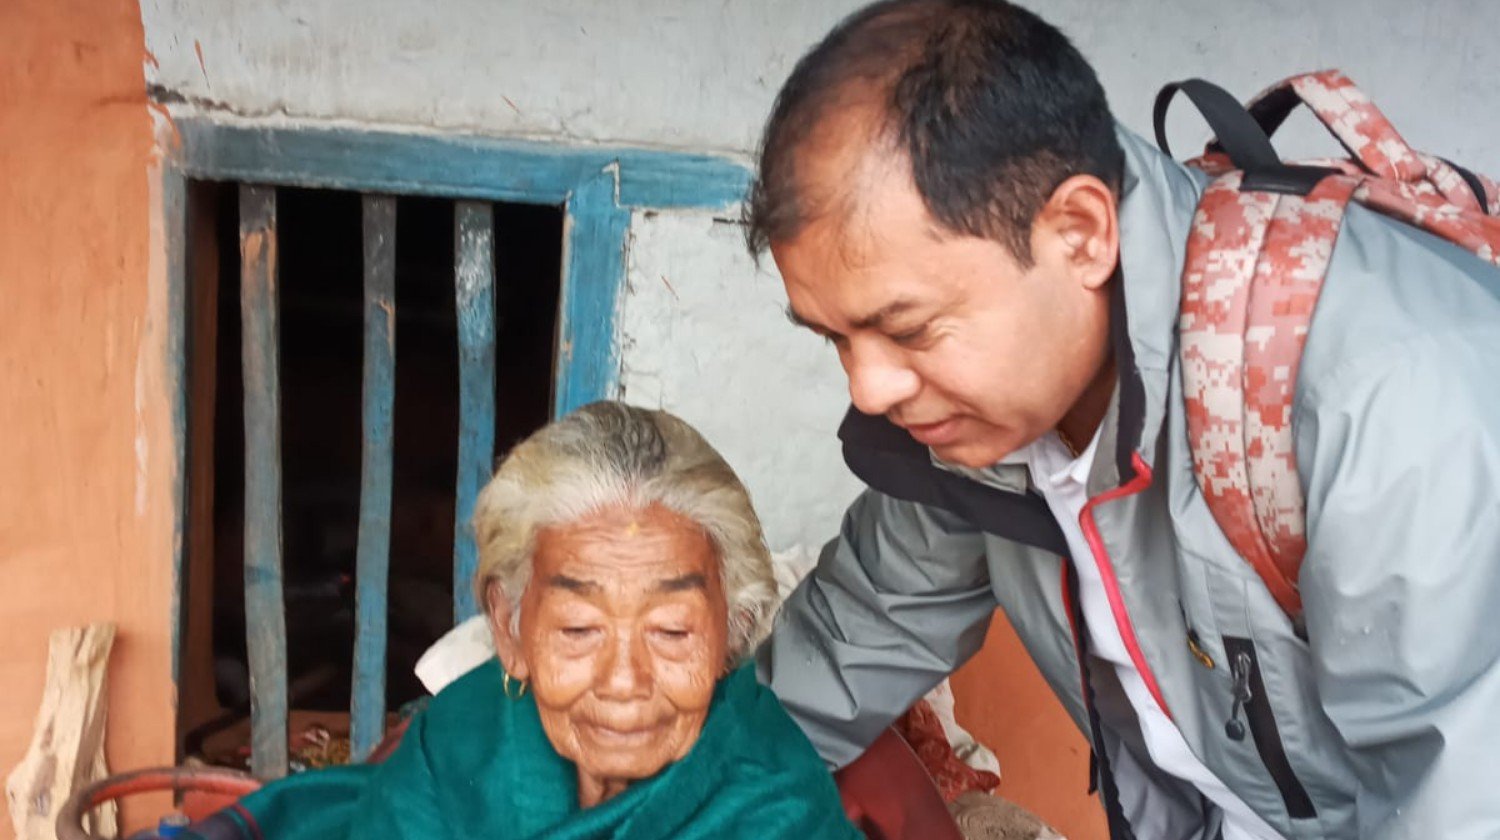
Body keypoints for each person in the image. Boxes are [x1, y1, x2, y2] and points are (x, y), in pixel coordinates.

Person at [747, 2, 1500, 839]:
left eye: (909, 328)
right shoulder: (981, 429)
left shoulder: (1392, 404)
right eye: (835, 338)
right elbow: (847, 647)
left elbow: (1464, 800)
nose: (868, 389)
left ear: (1081, 234)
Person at [197, 402, 860, 840]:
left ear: (732, 633)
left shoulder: (780, 809)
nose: (623, 682)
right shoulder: (458, 743)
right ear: (511, 630)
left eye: (671, 631)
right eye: (578, 630)